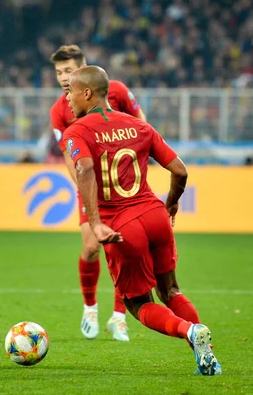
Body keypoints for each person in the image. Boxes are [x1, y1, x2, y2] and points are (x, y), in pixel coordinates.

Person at [63, 65, 220, 376]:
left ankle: (190, 332)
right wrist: (172, 203)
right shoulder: (139, 126)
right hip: (155, 215)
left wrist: (95, 224)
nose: (67, 98)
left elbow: (83, 169)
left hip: (123, 227)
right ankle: (207, 356)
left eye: (70, 90)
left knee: (137, 304)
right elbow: (180, 171)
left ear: (87, 93)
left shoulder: (77, 131)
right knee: (171, 290)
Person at [49, 45, 147, 341]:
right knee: (91, 247)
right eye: (58, 73)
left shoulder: (114, 90)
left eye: (68, 71)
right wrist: (81, 185)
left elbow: (141, 123)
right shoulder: (59, 110)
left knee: (123, 249)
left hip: (123, 184)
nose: (64, 78)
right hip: (90, 184)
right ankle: (90, 307)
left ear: (83, 67)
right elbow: (68, 153)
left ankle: (119, 317)